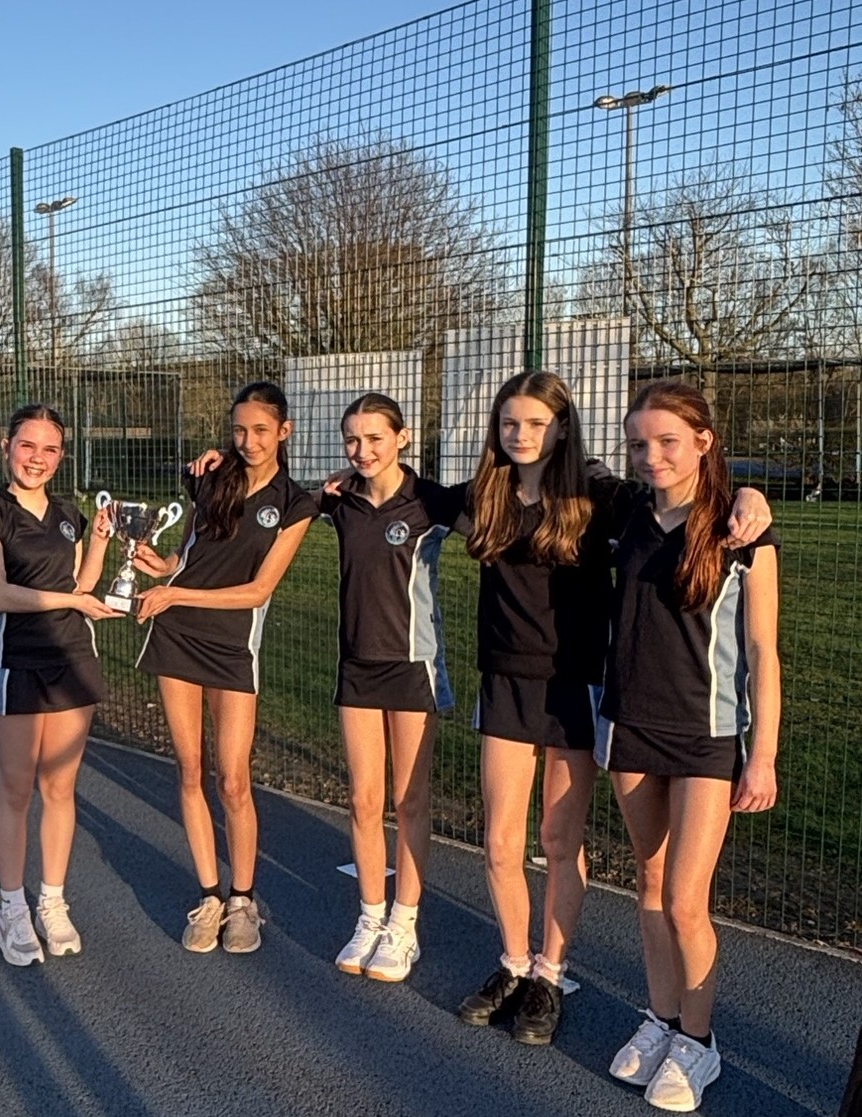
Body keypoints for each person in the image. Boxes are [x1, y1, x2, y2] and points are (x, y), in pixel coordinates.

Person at [455, 371, 771, 1047]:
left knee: (558, 840)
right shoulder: (485, 494)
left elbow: (691, 487)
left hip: (578, 686)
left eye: (536, 423)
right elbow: (402, 492)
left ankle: (551, 972)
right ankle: (514, 963)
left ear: (562, 426)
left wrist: (750, 492)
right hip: (507, 686)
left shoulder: (599, 497)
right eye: (509, 423)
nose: (521, 434)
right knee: (501, 841)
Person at [599, 379, 780, 1112]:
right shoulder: (622, 514)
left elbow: (765, 651)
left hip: (707, 735)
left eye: (667, 440)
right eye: (639, 442)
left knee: (683, 898)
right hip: (629, 725)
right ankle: (663, 1019)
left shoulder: (745, 531)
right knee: (648, 885)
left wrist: (761, 753)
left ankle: (699, 1043)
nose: (651, 455)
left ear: (705, 440)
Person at [133, 381, 318, 954]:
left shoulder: (296, 502)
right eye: (239, 430)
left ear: (284, 431)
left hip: (233, 642)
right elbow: (191, 555)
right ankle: (210, 896)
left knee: (233, 779)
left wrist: (175, 594)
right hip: (178, 634)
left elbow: (259, 590)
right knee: (190, 770)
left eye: (261, 430)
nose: (249, 440)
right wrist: (161, 568)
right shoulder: (210, 477)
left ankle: (244, 901)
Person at [321, 394, 467, 982]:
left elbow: (504, 516)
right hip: (357, 666)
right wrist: (205, 466)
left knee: (409, 801)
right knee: (362, 800)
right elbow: (265, 504)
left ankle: (404, 924)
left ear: (402, 438)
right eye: (352, 440)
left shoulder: (433, 500)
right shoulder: (340, 501)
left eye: (375, 438)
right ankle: (371, 917)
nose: (362, 451)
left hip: (413, 665)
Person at [0, 404, 119, 966]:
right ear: (7, 446)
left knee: (60, 788)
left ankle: (52, 902)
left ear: (61, 455)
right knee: (18, 788)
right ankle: (11, 909)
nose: (37, 458)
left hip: (72, 657)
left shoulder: (68, 514)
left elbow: (82, 582)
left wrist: (99, 540)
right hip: (18, 659)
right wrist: (73, 602)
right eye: (27, 446)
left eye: (49, 449)